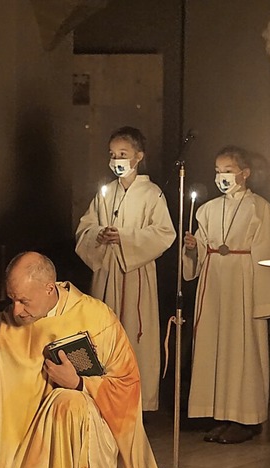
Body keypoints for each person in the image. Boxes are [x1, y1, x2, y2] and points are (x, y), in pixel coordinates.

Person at [0, 252, 186, 468]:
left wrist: (80, 384)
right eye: (12, 299)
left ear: (49, 288)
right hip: (13, 453)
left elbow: (126, 385)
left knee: (72, 402)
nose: (16, 310)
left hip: (82, 431)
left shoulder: (96, 317)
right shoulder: (3, 328)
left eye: (23, 301)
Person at [75, 127, 175, 412]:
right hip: (107, 272)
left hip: (136, 274)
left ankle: (134, 404)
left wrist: (127, 239)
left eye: (123, 154)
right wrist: (100, 235)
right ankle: (102, 398)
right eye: (112, 154)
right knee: (103, 336)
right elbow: (85, 227)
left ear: (139, 157)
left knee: (134, 337)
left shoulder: (152, 193)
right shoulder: (106, 193)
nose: (116, 159)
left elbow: (164, 233)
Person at [183, 146, 270, 444]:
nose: (221, 177)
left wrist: (263, 297)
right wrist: (192, 247)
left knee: (242, 349)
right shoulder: (208, 209)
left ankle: (246, 419)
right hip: (215, 285)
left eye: (227, 170)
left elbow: (268, 250)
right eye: (217, 171)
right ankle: (221, 415)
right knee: (217, 348)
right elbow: (201, 246)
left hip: (242, 284)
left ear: (244, 173)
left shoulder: (258, 207)